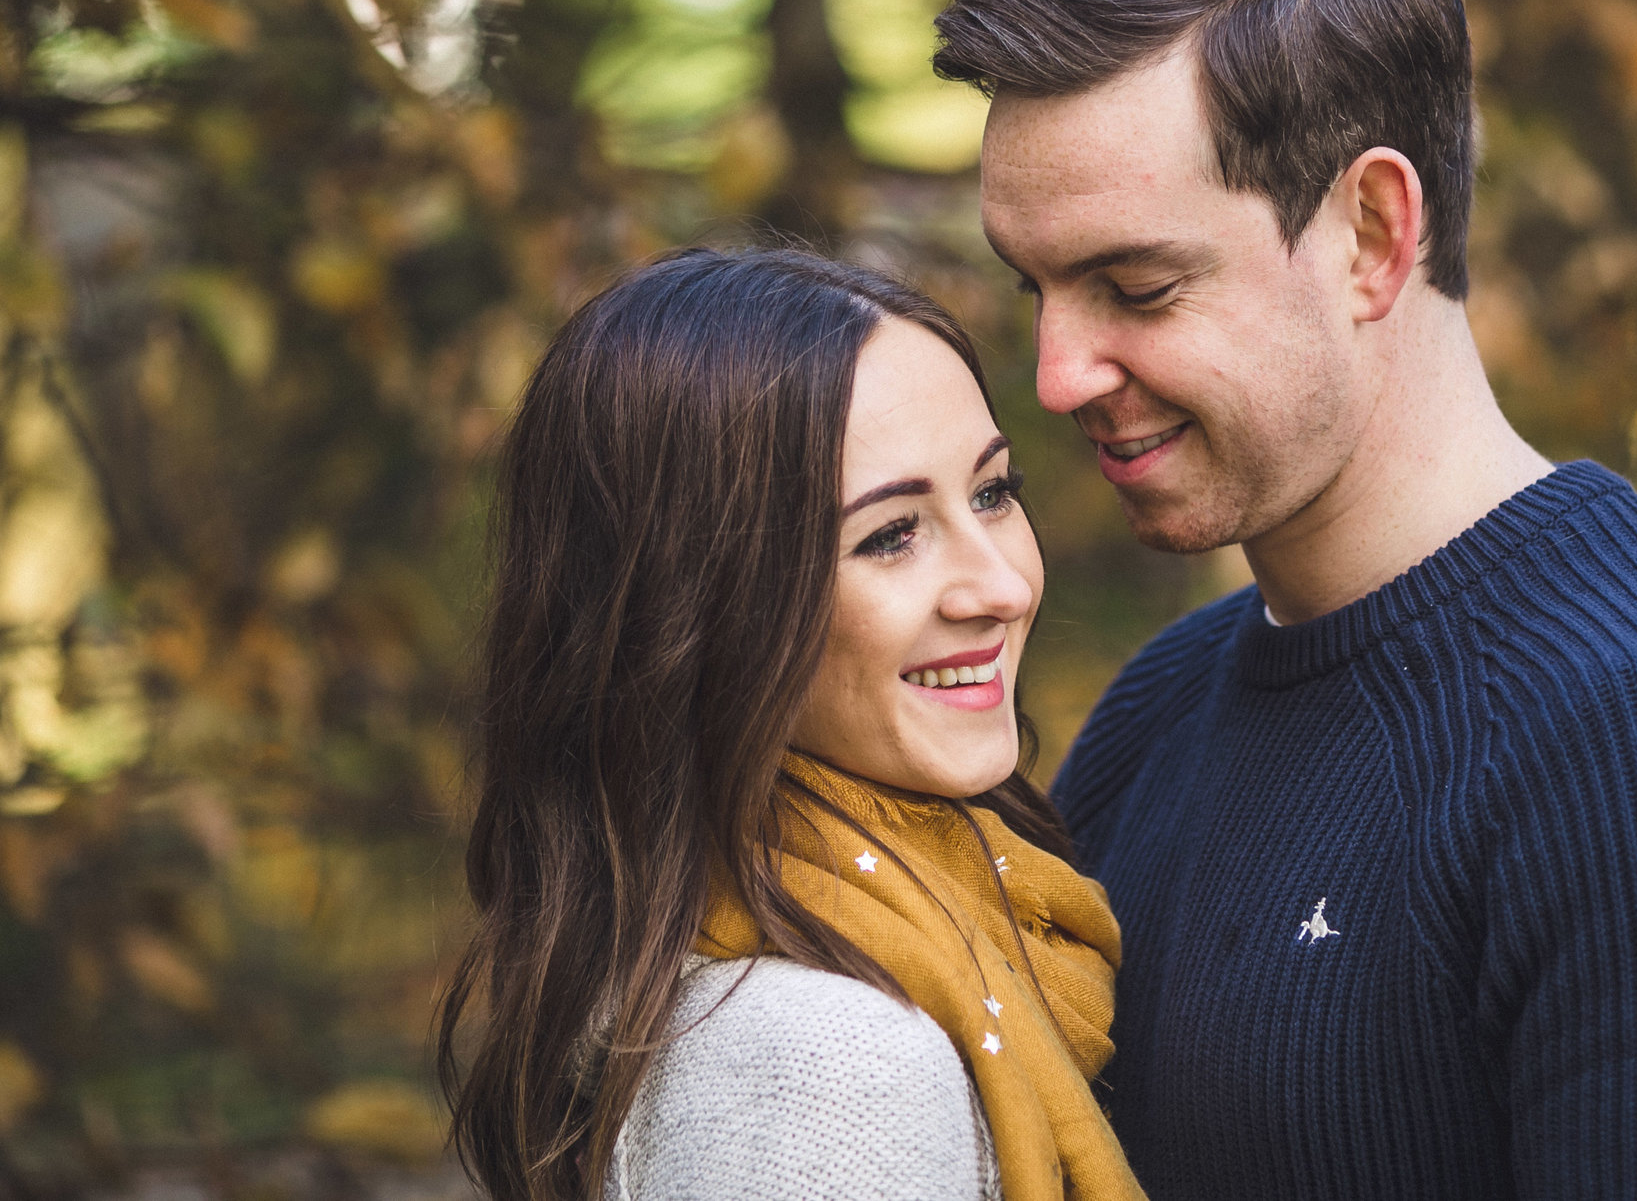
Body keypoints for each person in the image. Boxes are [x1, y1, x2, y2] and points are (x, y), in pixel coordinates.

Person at [935, 0, 1637, 1200]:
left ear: (1371, 232)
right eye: (1036, 288)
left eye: (1136, 286)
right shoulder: (1152, 723)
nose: (1059, 371)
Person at [438, 248, 1144, 1201]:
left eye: (993, 491)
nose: (1005, 584)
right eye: (890, 533)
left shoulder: (704, 944)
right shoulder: (833, 1071)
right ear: (699, 610)